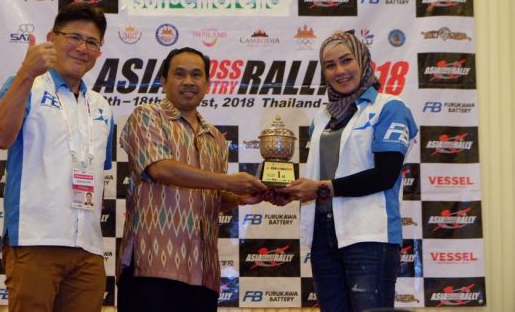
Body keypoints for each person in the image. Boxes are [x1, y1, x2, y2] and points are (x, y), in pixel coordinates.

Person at [116, 47, 268, 312]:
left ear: (207, 84)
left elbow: (208, 201)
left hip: (203, 273)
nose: (188, 81)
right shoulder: (147, 116)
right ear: (164, 81)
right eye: (179, 74)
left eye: (196, 75)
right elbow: (159, 169)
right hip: (152, 268)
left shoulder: (216, 138)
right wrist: (226, 182)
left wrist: (238, 198)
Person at [275, 31, 418, 312]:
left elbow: (385, 175)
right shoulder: (321, 118)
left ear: (363, 61)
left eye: (346, 60)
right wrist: (291, 192)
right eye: (330, 65)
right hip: (323, 234)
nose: (339, 71)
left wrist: (320, 188)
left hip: (369, 235)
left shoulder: (390, 107)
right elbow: (322, 174)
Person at [0, 3, 114, 312]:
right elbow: (0, 137)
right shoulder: (26, 84)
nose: (82, 48)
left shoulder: (101, 105)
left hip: (88, 247)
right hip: (35, 239)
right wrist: (26, 72)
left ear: (99, 52)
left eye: (92, 42)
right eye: (75, 37)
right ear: (52, 38)